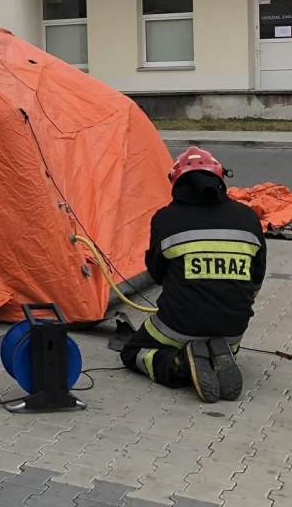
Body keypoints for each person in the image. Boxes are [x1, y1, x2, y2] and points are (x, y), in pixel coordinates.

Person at [120, 146, 267, 403]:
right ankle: (217, 354)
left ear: (177, 184)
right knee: (223, 338)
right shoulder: (247, 217)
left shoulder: (166, 218)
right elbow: (257, 277)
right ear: (219, 178)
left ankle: (181, 364)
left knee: (133, 352)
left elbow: (157, 275)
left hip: (178, 326)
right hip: (232, 331)